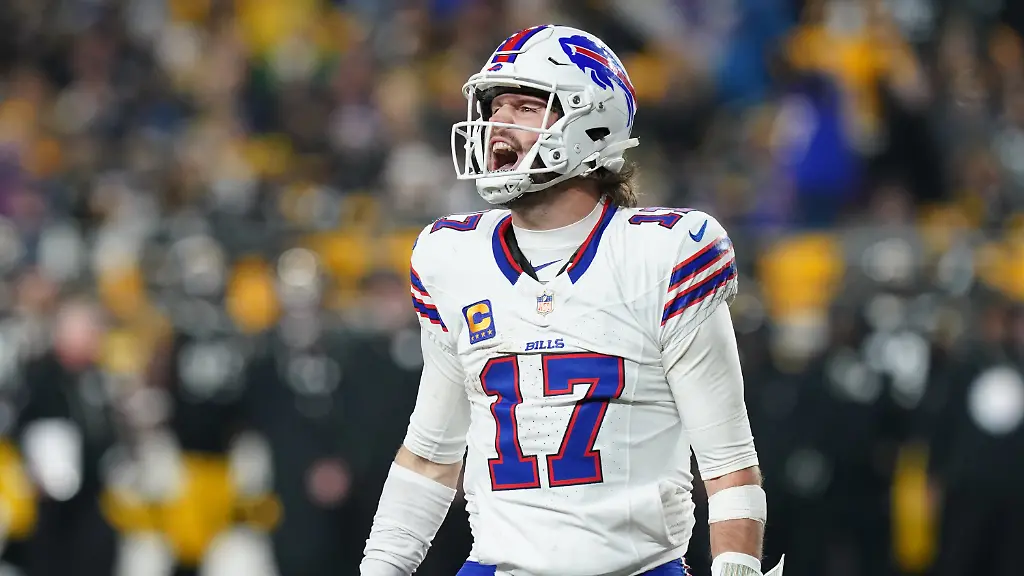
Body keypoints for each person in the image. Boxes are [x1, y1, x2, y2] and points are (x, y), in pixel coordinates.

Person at [360, 24, 784, 576]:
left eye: (524, 106)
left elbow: (728, 466)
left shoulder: (664, 254)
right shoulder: (452, 257)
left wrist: (736, 568)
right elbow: (430, 458)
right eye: (493, 108)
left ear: (593, 121)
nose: (495, 126)